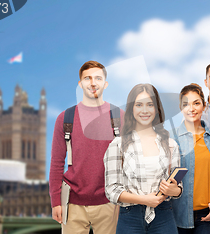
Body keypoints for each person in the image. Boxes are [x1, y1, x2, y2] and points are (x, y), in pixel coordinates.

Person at [49, 61, 123, 233]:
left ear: (105, 83)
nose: (93, 83)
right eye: (87, 78)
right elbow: (57, 163)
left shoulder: (119, 116)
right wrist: (55, 201)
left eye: (98, 78)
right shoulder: (65, 118)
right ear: (80, 84)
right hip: (72, 203)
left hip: (110, 203)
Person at [105, 83, 181, 234]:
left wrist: (175, 190)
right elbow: (112, 190)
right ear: (131, 109)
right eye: (139, 105)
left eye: (150, 105)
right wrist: (145, 200)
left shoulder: (171, 145)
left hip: (164, 216)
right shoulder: (118, 145)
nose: (144, 110)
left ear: (156, 109)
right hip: (130, 217)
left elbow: (179, 187)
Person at [172, 83, 210, 234]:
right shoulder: (171, 138)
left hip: (208, 215)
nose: (191, 108)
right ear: (181, 107)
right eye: (186, 104)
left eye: (196, 103)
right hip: (178, 215)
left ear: (204, 106)